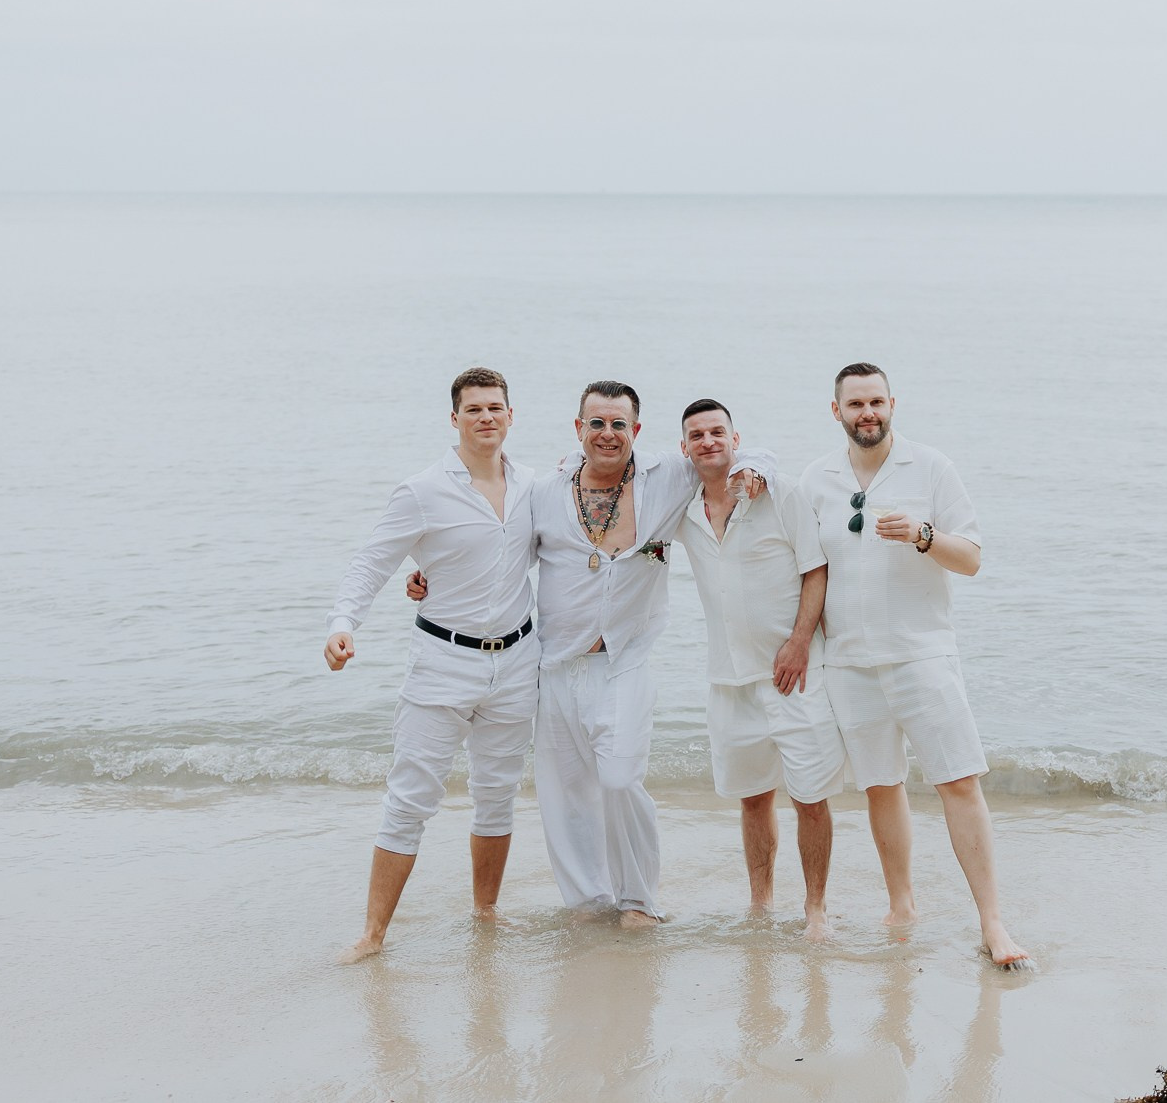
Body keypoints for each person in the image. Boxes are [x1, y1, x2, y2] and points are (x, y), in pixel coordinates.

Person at [409, 380, 772, 927]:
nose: (607, 434)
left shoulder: (668, 477)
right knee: (566, 795)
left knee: (621, 778)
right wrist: (432, 575)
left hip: (624, 661)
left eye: (618, 424)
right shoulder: (545, 491)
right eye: (596, 424)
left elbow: (732, 451)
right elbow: (498, 549)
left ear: (637, 431)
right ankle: (586, 902)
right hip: (553, 664)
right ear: (578, 429)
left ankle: (638, 901)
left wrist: (757, 467)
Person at [798, 362, 1032, 971]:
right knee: (882, 786)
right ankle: (901, 907)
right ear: (836, 411)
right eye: (855, 404)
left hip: (922, 653)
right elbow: (803, 568)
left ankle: (992, 922)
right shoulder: (815, 480)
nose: (866, 413)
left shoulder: (931, 468)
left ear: (892, 404)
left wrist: (925, 535)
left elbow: (974, 559)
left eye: (876, 402)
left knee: (958, 781)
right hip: (849, 662)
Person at [323, 366, 540, 964]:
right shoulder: (422, 490)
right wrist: (343, 626)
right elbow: (372, 562)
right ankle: (372, 935)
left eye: (496, 407)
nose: (487, 417)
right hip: (442, 661)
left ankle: (487, 912)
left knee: (497, 794)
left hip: (518, 661)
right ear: (455, 418)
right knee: (411, 798)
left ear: (511, 414)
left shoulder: (534, 487)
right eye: (474, 409)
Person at [675, 398, 843, 939]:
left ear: (735, 437)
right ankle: (761, 904)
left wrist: (799, 642)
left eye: (717, 432)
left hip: (792, 673)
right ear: (685, 447)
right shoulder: (684, 508)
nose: (708, 442)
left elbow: (815, 570)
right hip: (728, 678)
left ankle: (815, 908)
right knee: (752, 798)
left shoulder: (777, 491)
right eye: (696, 436)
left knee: (810, 796)